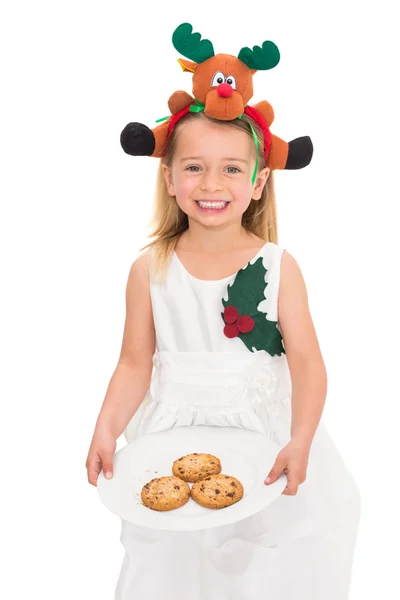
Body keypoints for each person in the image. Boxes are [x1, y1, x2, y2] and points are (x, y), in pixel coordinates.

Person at [85, 23, 361, 600]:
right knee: (174, 567)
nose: (212, 182)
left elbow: (308, 362)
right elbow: (135, 363)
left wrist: (302, 438)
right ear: (169, 176)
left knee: (268, 562)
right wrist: (107, 427)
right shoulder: (149, 269)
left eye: (232, 168)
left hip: (263, 432)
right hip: (173, 432)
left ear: (260, 181)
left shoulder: (279, 266)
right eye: (194, 167)